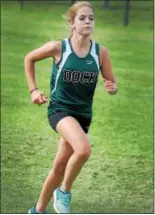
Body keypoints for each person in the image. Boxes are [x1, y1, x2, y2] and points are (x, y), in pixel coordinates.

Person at [24, 1, 117, 214]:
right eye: (82, 18)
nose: (88, 22)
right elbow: (29, 58)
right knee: (83, 151)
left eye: (91, 18)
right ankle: (63, 191)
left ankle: (37, 210)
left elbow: (112, 82)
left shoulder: (100, 53)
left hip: (83, 115)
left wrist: (112, 88)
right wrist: (33, 90)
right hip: (59, 109)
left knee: (60, 166)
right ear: (72, 23)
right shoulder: (59, 48)